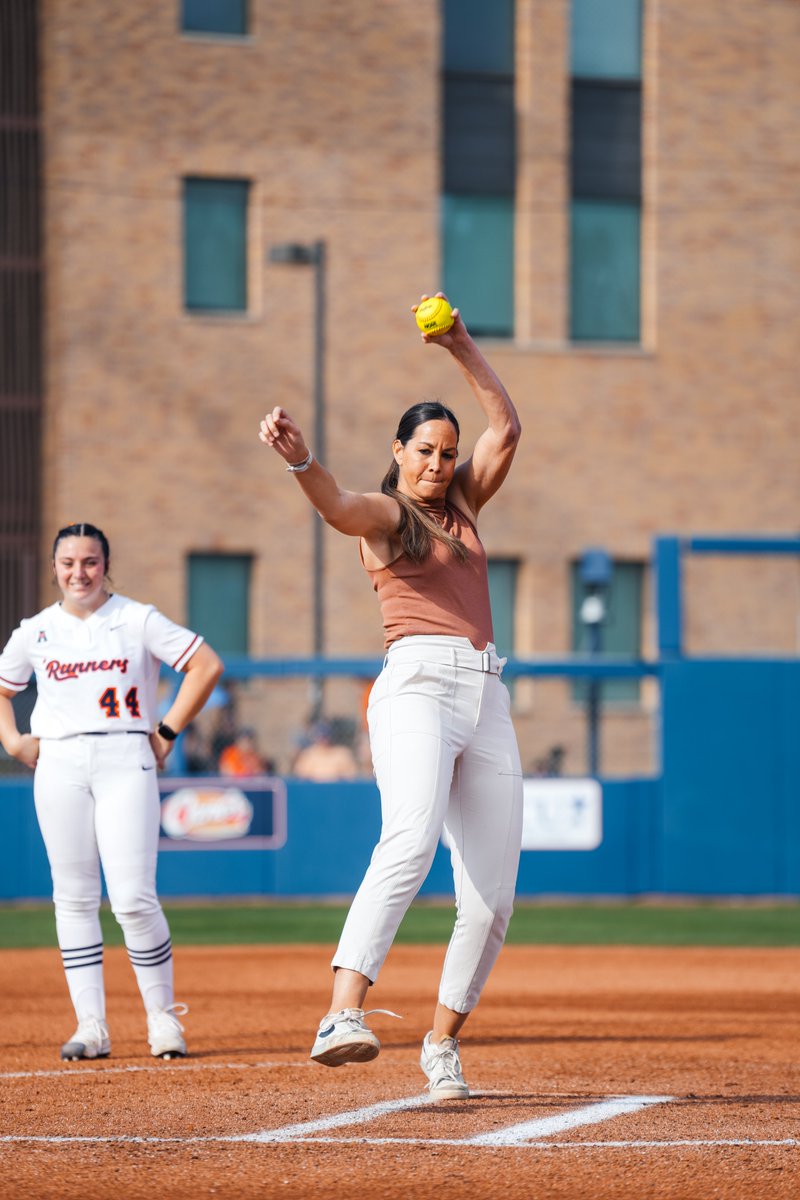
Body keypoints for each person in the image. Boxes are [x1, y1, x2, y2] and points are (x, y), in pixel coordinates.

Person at [258, 294, 523, 1101]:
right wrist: (303, 462)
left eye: (447, 452)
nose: (440, 463)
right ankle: (342, 1014)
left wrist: (460, 343)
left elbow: (505, 428)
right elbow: (338, 507)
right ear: (399, 453)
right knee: (409, 840)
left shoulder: (467, 506)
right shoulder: (389, 514)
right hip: (415, 685)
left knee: (492, 894)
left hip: (487, 692)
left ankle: (441, 1043)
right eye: (425, 450)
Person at [0, 523, 224, 1062]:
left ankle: (162, 1019)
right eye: (69, 562)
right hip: (59, 760)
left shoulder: (135, 618)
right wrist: (12, 741)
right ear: (54, 567)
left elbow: (206, 665)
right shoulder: (35, 630)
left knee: (132, 897)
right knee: (73, 896)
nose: (79, 572)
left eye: (91, 562)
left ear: (106, 565)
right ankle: (92, 1026)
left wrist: (166, 730)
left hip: (127, 757)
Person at [291, 719, 359, 782]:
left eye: (325, 737)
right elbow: (300, 778)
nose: (324, 741)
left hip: (337, 792)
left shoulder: (342, 754)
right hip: (314, 792)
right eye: (321, 737)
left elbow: (351, 778)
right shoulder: (308, 755)